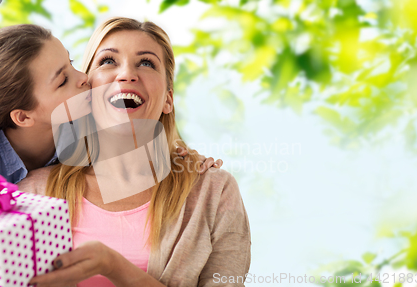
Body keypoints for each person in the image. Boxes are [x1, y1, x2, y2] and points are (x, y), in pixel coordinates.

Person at [0, 24, 221, 287]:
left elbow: (137, 128)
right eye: (63, 80)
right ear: (24, 117)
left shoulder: (77, 125)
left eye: (72, 63)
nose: (83, 79)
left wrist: (180, 155)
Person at [19, 17, 251, 287]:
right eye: (108, 61)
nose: (127, 74)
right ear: (85, 91)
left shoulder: (214, 192)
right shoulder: (33, 193)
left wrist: (113, 266)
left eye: (146, 63)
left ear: (167, 100)